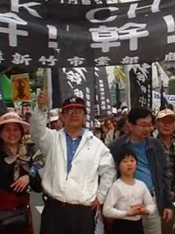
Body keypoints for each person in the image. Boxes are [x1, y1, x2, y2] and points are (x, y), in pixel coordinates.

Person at [31, 92, 115, 234]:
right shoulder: (52, 139)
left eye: (78, 111)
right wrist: (40, 108)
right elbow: (37, 132)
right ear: (62, 117)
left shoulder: (96, 145)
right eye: (69, 111)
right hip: (54, 209)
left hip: (82, 212)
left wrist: (100, 196)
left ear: (84, 117)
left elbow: (109, 171)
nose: (73, 115)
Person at [110, 107, 175, 234]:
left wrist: (167, 203)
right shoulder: (116, 146)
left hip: (152, 199)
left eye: (150, 125)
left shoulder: (155, 145)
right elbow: (109, 175)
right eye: (143, 125)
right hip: (127, 201)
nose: (148, 129)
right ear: (130, 126)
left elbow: (165, 174)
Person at [0, 111, 36, 234]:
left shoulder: (28, 155)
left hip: (21, 214)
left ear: (21, 132)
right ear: (1, 134)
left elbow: (38, 185)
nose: (12, 133)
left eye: (15, 129)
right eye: (7, 130)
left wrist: (29, 177)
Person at [103, 147, 156, 234]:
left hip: (138, 225)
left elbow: (151, 205)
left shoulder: (141, 185)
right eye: (125, 161)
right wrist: (127, 213)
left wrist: (145, 210)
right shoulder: (116, 186)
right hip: (121, 226)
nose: (129, 164)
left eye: (132, 160)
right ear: (118, 165)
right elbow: (107, 210)